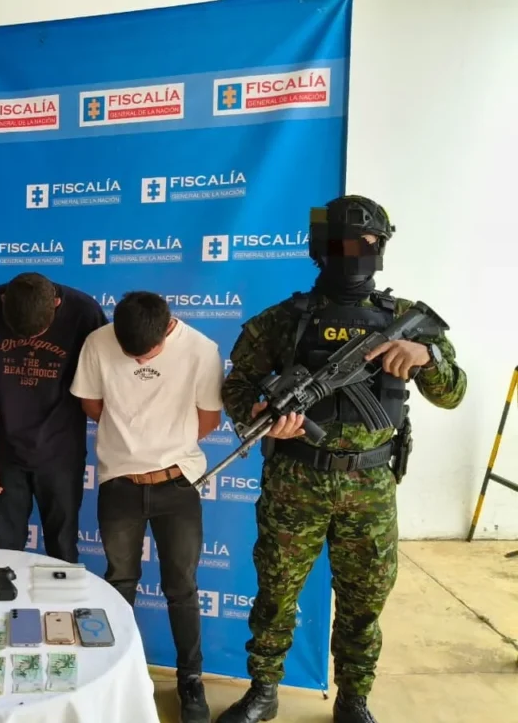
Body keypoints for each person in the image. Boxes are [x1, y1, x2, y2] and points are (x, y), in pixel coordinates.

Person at [216, 196, 467, 723]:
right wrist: (258, 412)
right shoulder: (283, 320)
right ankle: (263, 691)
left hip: (370, 484)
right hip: (295, 480)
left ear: (381, 248)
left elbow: (452, 393)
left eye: (366, 244)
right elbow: (236, 386)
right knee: (276, 593)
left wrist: (426, 357)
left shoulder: (405, 319)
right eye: (342, 244)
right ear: (320, 249)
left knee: (364, 601)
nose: (354, 254)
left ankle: (353, 699)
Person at [70, 291, 223, 723]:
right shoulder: (97, 342)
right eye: (128, 353)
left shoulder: (201, 350)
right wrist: (131, 440)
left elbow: (209, 419)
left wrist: (162, 443)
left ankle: (190, 679)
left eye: (147, 354)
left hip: (178, 484)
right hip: (119, 484)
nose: (137, 361)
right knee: (119, 582)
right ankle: (118, 674)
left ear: (167, 329)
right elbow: (91, 404)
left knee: (182, 586)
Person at [0, 272, 106, 562]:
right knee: (4, 550)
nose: (30, 341)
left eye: (38, 334)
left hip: (61, 455)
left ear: (56, 304)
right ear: (4, 301)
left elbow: (103, 384)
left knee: (63, 549)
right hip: (4, 453)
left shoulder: (85, 313)